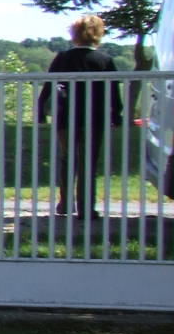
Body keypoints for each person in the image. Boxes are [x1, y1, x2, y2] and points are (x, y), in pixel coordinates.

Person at [38, 14, 124, 219]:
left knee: (67, 159)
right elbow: (113, 92)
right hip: (94, 118)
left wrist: (41, 109)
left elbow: (49, 86)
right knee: (88, 162)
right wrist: (116, 114)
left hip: (66, 117)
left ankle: (65, 203)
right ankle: (86, 207)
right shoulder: (104, 60)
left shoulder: (62, 58)